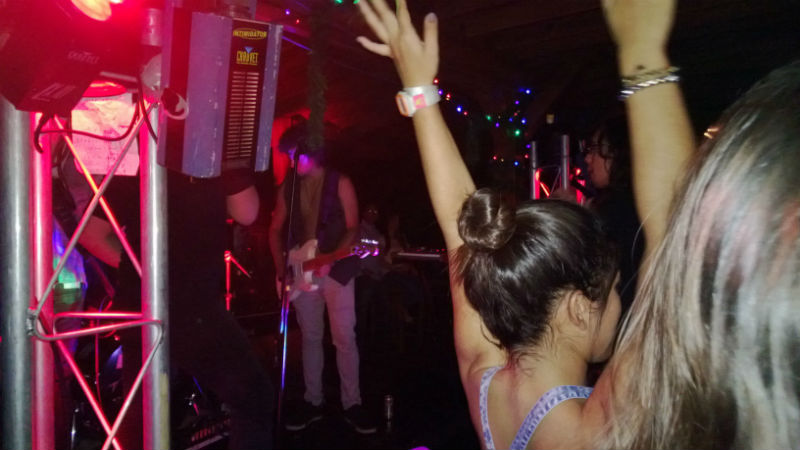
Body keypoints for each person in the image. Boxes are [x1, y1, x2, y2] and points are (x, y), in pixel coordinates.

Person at [355, 1, 629, 448]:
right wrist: (644, 55)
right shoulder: (600, 430)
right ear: (580, 307)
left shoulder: (483, 382)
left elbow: (457, 224)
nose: (621, 303)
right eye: (613, 289)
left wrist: (420, 90)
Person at [269, 122, 376, 434]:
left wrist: (332, 258)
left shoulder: (340, 182)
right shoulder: (288, 187)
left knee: (344, 338)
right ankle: (312, 401)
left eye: (294, 155)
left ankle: (352, 403)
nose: (291, 162)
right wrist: (281, 269)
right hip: (301, 271)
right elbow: (274, 230)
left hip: (336, 270)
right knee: (311, 337)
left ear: (309, 151)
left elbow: (353, 227)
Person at [583, 115, 644, 315]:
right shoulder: (640, 200)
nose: (587, 159)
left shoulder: (615, 211)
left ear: (618, 154)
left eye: (595, 149)